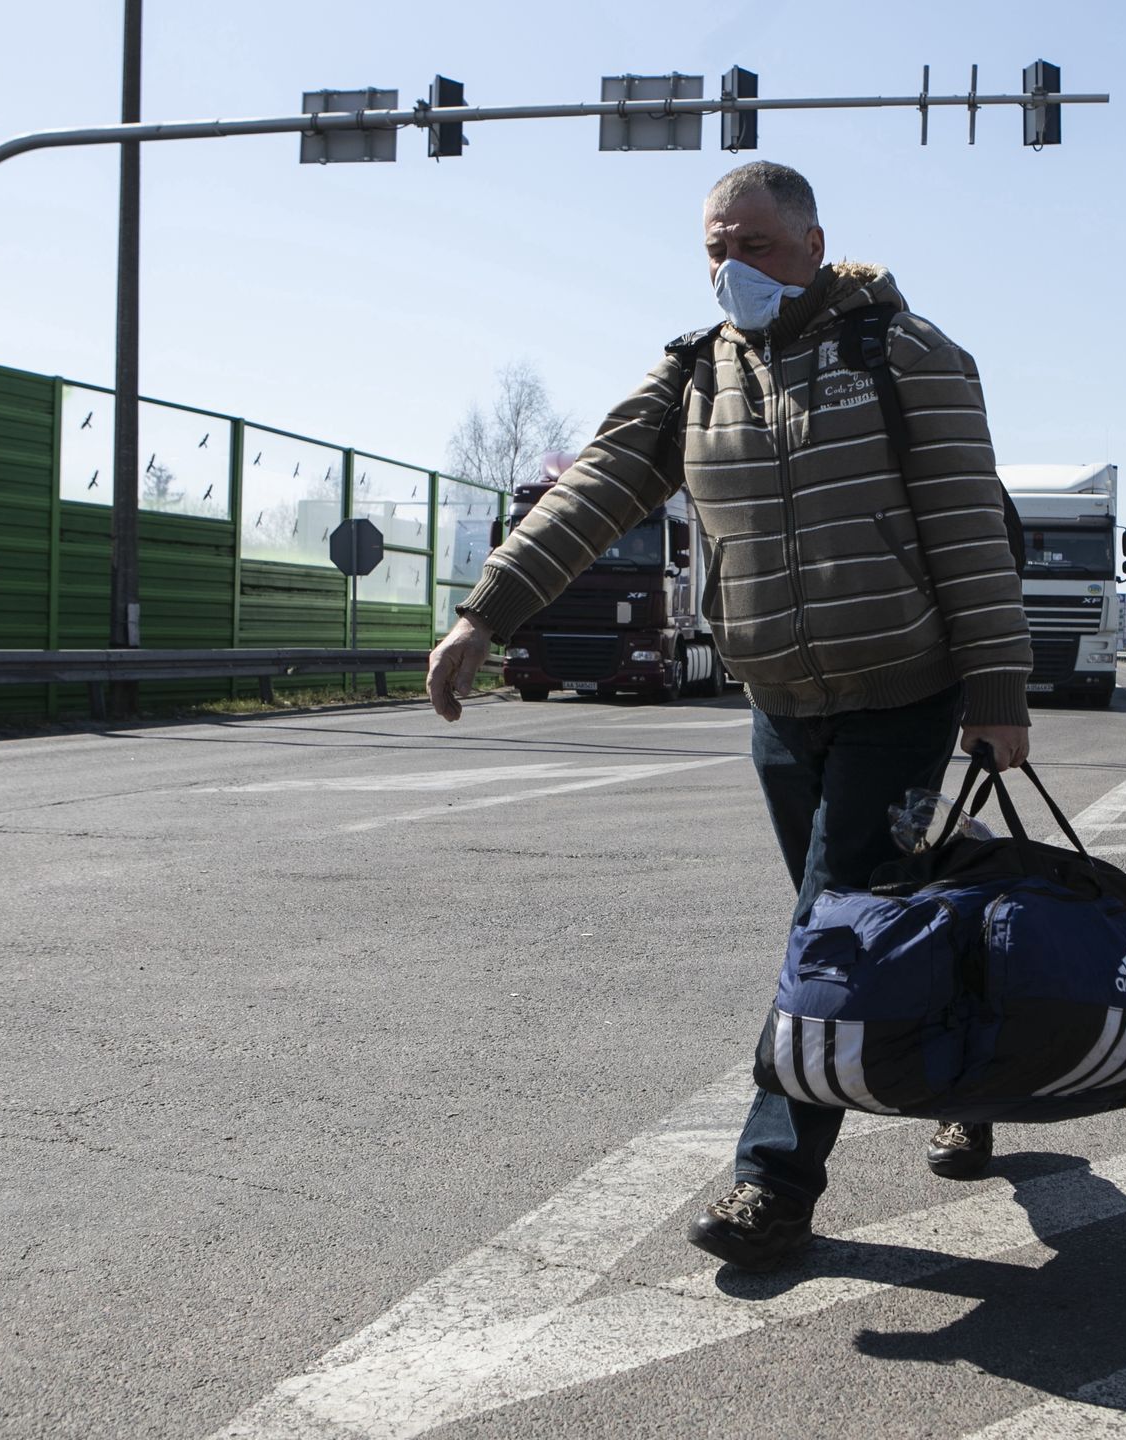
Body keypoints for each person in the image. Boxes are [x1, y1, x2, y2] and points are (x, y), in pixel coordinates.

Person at [424, 162, 1034, 1267]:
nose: (731, 267)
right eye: (715, 245)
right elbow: (592, 488)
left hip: (901, 684)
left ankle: (774, 1184)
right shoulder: (693, 375)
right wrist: (485, 615)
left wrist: (996, 696)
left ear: (811, 242)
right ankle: (968, 1059)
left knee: (829, 935)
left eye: (753, 243)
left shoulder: (906, 355)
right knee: (864, 913)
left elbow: (966, 532)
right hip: (780, 701)